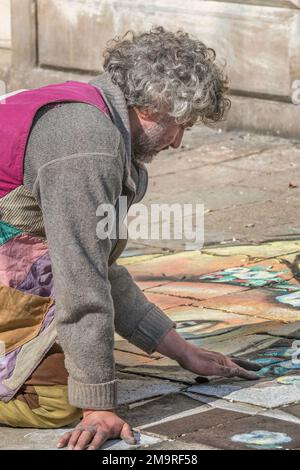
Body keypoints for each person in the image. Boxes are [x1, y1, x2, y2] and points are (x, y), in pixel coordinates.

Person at [0, 27, 259, 450]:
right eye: (181, 124)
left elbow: (99, 265)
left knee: (82, 360)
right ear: (154, 105)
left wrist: (180, 350)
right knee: (51, 402)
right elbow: (81, 278)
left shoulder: (93, 114)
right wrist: (96, 406)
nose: (178, 141)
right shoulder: (88, 143)